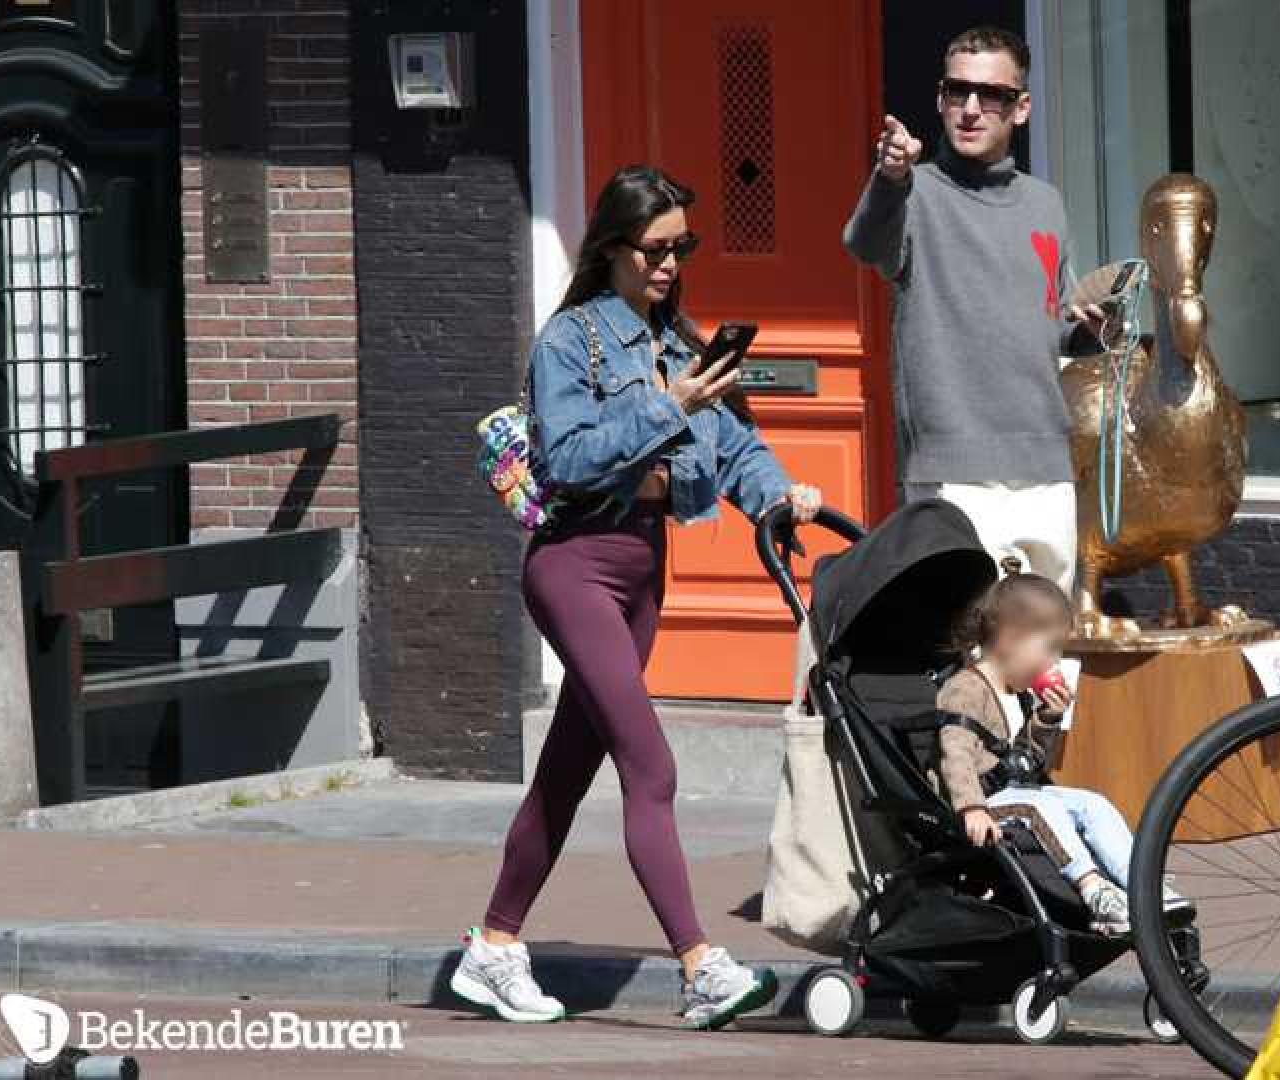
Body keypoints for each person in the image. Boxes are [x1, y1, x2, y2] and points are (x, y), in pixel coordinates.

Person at [455, 165, 821, 1030]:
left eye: (681, 247)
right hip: (574, 561)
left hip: (641, 567)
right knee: (650, 765)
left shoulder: (682, 344)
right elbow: (571, 460)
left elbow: (733, 448)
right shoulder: (570, 342)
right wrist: (668, 405)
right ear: (614, 247)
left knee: (566, 775)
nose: (670, 264)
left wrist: (779, 493)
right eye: (656, 249)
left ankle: (495, 945)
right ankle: (700, 967)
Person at [842, 26, 1106, 591]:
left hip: (1046, 469)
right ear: (939, 98)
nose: (970, 109)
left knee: (1045, 658)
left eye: (992, 95)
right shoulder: (916, 191)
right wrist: (889, 178)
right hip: (953, 472)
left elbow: (1053, 325)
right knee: (967, 652)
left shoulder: (1046, 203)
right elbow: (865, 244)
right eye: (956, 92)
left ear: (1022, 107)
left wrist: (1090, 328)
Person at [933, 559, 1186, 935]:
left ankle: (1145, 886)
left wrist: (1046, 719)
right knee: (1041, 804)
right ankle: (1095, 890)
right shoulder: (964, 689)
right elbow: (955, 751)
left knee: (1090, 803)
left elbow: (1024, 761)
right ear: (1009, 638)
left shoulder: (1015, 694)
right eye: (1049, 649)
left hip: (1009, 793)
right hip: (981, 804)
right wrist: (971, 806)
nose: (1053, 661)